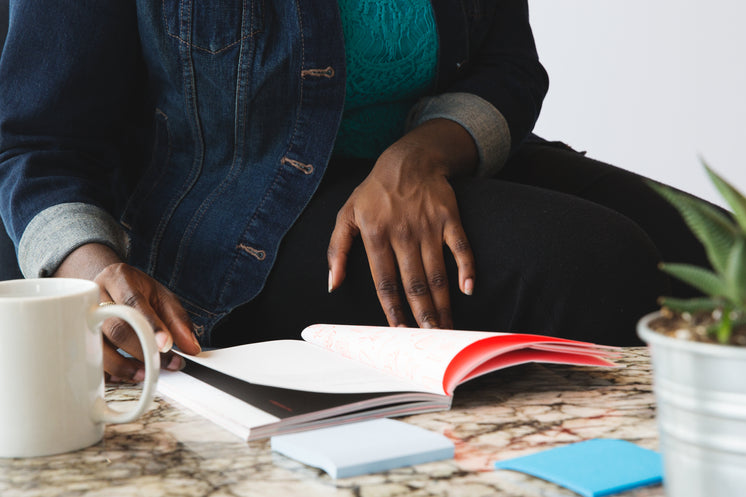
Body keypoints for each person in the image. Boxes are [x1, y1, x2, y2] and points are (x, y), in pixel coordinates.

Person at [0, 0, 709, 383]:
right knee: (599, 265)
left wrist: (420, 157)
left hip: (431, 158)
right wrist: (92, 277)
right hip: (241, 216)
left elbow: (509, 65)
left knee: (717, 254)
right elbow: (37, 138)